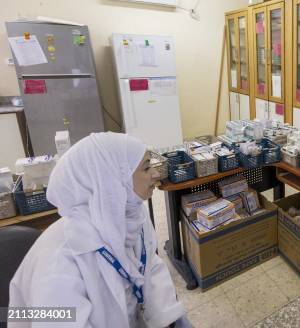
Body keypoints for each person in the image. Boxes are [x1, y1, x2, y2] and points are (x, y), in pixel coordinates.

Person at [9, 132, 188, 327]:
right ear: (111, 180)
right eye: (146, 168)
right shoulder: (58, 262)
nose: (156, 174)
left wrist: (168, 318)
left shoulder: (132, 214)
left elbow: (151, 266)